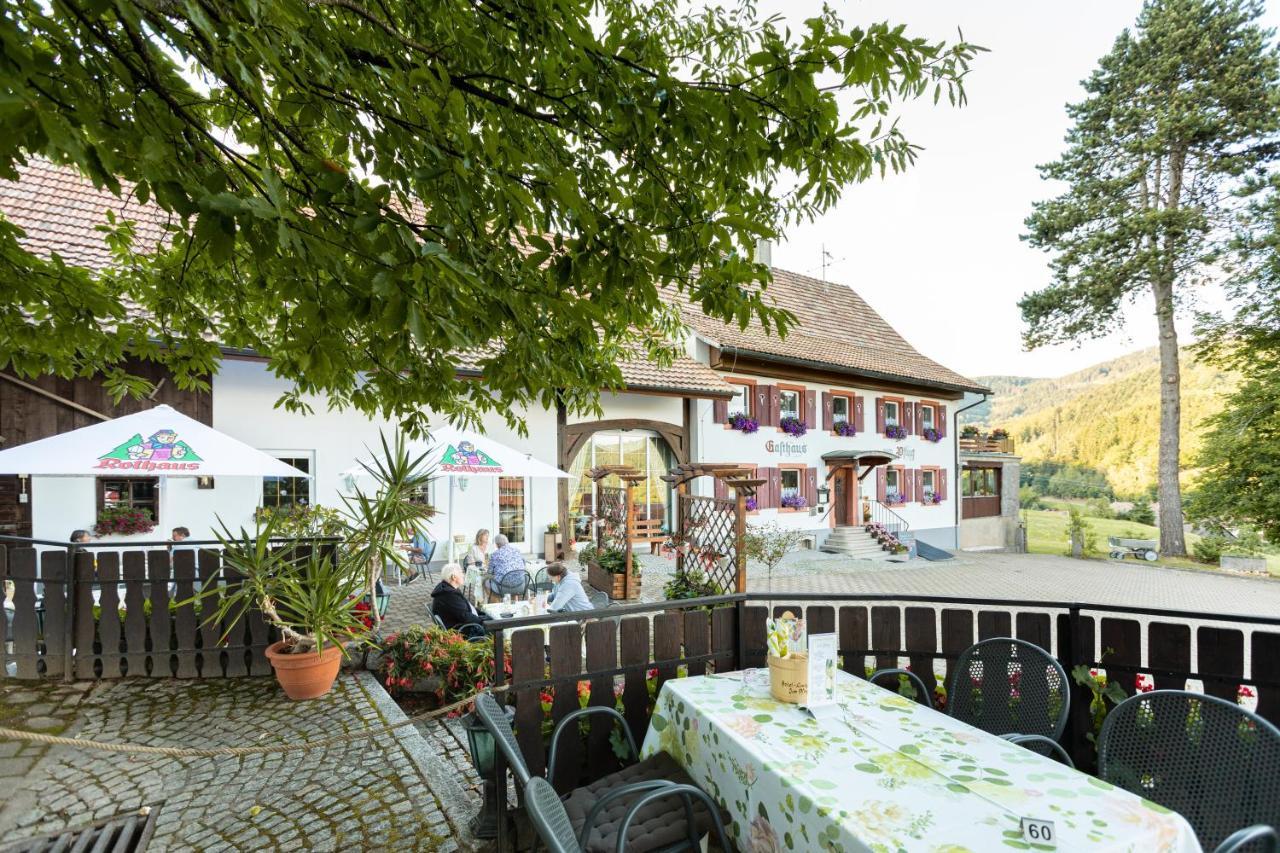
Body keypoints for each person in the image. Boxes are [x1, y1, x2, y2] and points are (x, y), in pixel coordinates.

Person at [431, 563, 489, 640]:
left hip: (458, 624)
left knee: (491, 618)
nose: (463, 575)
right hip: (461, 631)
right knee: (497, 626)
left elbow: (464, 608)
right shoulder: (449, 595)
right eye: (461, 573)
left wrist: (482, 613)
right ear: (453, 577)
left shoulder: (447, 588)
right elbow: (465, 616)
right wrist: (484, 621)